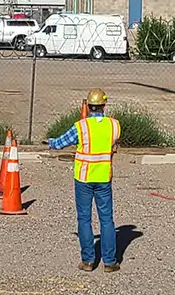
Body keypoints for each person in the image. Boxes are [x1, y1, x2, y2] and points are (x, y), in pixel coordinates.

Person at [48, 87, 121, 271]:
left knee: (84, 218)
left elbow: (60, 143)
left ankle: (88, 260)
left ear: (88, 106)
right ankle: (110, 262)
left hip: (83, 177)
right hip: (104, 176)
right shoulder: (114, 125)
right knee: (106, 219)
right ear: (104, 105)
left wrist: (50, 141)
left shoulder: (81, 127)